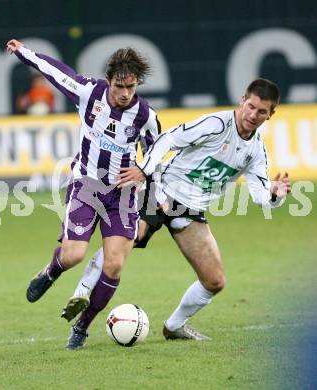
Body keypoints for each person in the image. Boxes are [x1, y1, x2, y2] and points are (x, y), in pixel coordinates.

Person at [62, 78, 291, 345]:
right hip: (162, 191)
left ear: (271, 114)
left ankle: (174, 326)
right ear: (243, 100)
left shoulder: (256, 152)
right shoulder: (216, 125)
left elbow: (262, 196)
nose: (253, 115)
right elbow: (168, 138)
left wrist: (276, 194)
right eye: (251, 106)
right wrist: (147, 172)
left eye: (261, 111)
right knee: (126, 241)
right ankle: (82, 293)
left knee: (214, 281)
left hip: (190, 210)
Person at [6, 39, 163, 350]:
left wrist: (144, 172)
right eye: (120, 86)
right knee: (73, 255)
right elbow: (55, 72)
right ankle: (51, 271)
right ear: (109, 80)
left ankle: (81, 327)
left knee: (115, 264)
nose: (125, 93)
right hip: (86, 186)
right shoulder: (89, 92)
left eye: (131, 87)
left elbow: (159, 148)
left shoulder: (145, 115)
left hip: (122, 195)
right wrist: (24, 53)